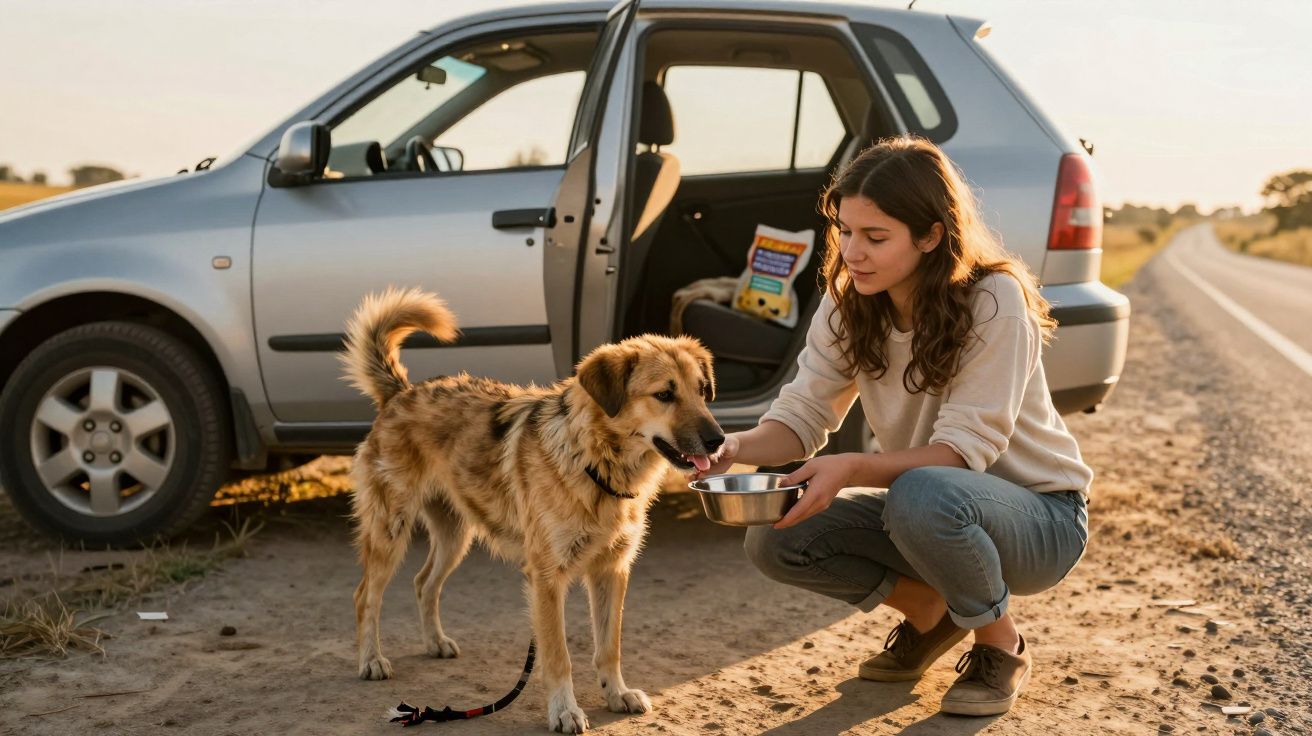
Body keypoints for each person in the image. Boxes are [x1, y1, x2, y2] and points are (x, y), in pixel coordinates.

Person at [696, 136, 1091, 716]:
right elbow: (802, 416)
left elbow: (961, 453)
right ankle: (932, 612)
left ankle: (999, 644)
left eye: (875, 237)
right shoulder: (848, 301)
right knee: (777, 534)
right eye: (845, 232)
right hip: (932, 507)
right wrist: (735, 447)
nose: (853, 252)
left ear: (931, 236)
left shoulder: (994, 299)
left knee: (920, 493)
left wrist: (854, 465)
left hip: (1041, 519)